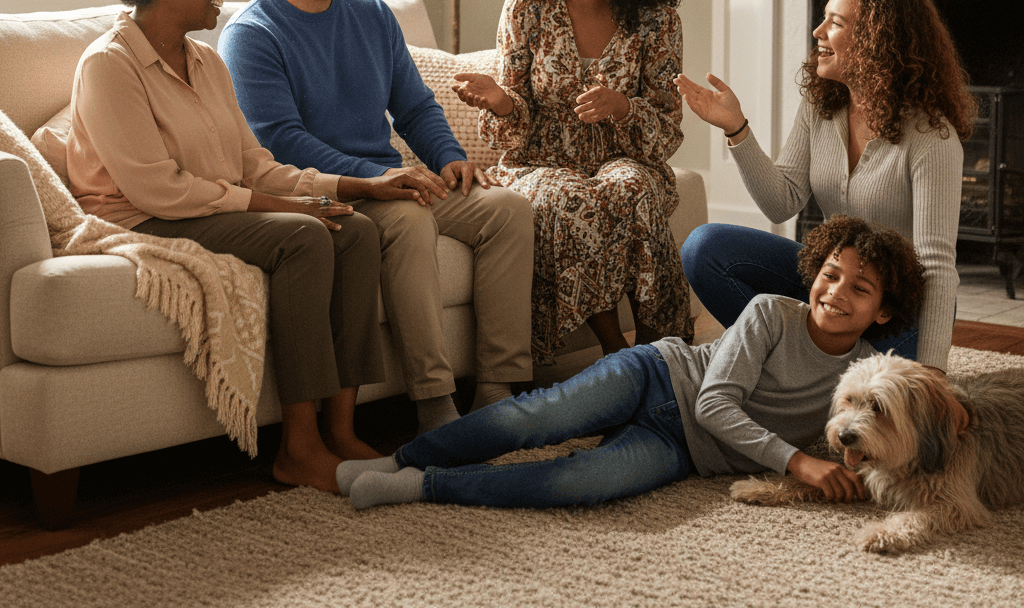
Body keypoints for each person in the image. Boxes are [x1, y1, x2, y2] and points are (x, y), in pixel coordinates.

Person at [65, 0, 385, 494]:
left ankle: (342, 430)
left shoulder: (207, 62)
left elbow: (252, 164)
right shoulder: (108, 66)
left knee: (356, 227)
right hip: (142, 219)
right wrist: (283, 208)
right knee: (301, 237)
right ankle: (299, 446)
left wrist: (352, 186)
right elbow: (159, 188)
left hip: (206, 208)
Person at [218, 0, 534, 434]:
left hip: (392, 178)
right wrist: (378, 177)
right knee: (410, 219)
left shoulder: (373, 15)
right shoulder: (252, 36)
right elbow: (283, 143)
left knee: (507, 209)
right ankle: (435, 404)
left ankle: (496, 390)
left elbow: (414, 106)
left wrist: (448, 159)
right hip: (328, 192)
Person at [336, 215, 924, 511]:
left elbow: (889, 440)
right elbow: (715, 402)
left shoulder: (870, 377)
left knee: (579, 482)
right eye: (830, 274)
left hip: (684, 451)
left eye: (861, 289)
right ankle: (400, 458)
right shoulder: (771, 312)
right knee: (528, 421)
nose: (836, 293)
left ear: (882, 311)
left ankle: (422, 485)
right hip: (658, 376)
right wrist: (797, 463)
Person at [675, 0, 975, 375]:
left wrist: (934, 372)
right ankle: (791, 363)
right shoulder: (821, 108)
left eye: (834, 22)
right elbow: (782, 202)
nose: (817, 31)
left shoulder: (930, 136)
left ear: (877, 41)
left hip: (896, 310)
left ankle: (798, 371)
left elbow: (937, 266)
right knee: (704, 248)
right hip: (831, 286)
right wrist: (736, 127)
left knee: (877, 387)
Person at [451, 0, 691, 361]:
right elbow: (513, 129)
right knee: (568, 199)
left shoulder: (656, 19)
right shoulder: (527, 6)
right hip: (540, 163)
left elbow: (667, 128)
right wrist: (501, 101)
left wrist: (622, 106)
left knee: (632, 189)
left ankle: (656, 352)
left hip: (624, 158)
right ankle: (616, 353)